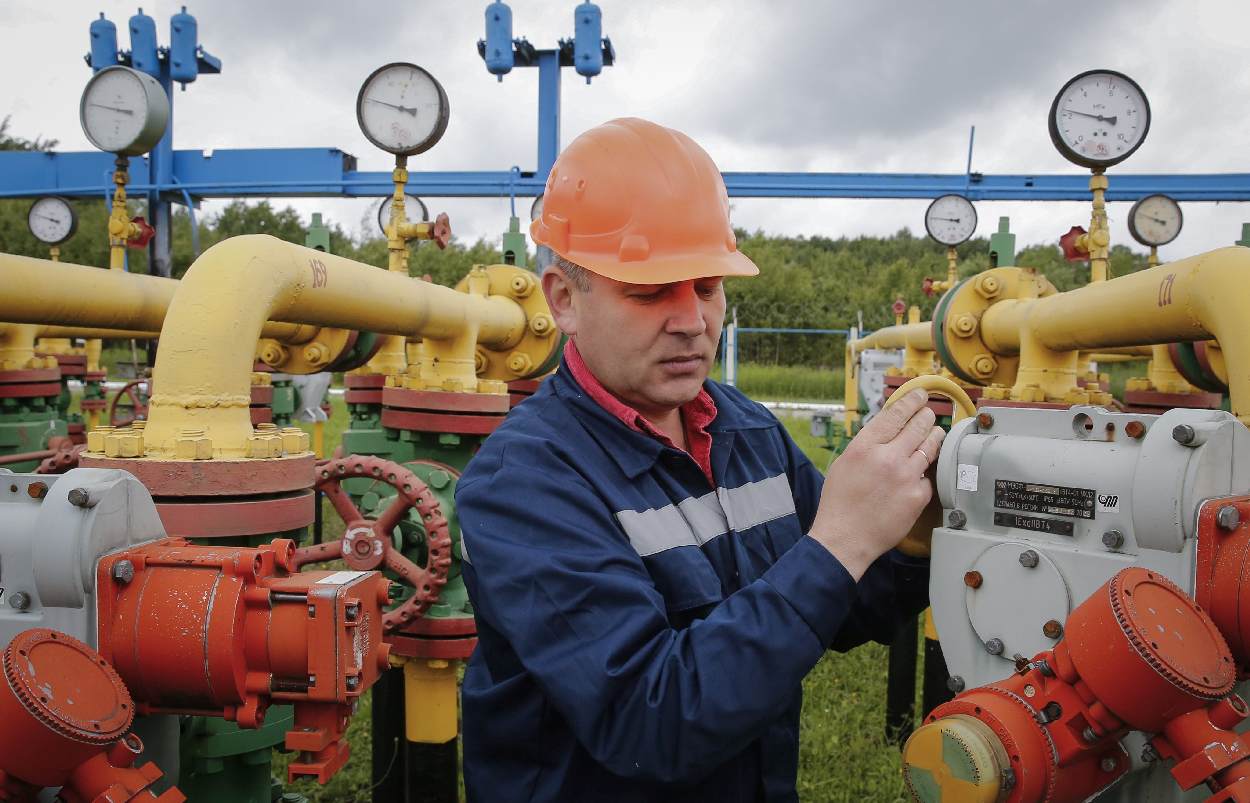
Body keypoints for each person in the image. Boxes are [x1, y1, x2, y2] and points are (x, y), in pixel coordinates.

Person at [455, 117, 943, 803]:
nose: (691, 320)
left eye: (707, 285)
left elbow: (837, 600)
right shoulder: (523, 483)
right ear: (564, 299)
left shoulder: (746, 431)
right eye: (650, 291)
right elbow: (650, 720)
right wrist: (840, 540)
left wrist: (918, 534)